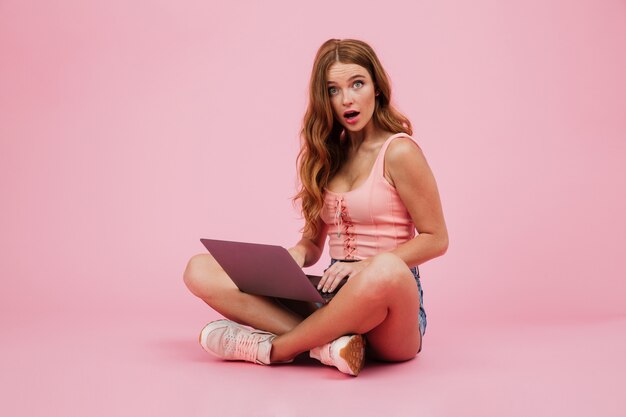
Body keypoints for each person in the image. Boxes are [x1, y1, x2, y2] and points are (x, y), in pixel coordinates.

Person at [183, 38, 448, 376]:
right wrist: (295, 254)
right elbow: (312, 244)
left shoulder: (400, 152)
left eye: (357, 84)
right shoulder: (327, 157)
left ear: (377, 88)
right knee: (200, 268)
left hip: (393, 310)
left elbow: (436, 238)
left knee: (384, 270)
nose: (347, 99)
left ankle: (275, 349)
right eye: (333, 90)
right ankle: (331, 347)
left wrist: (364, 267)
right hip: (334, 297)